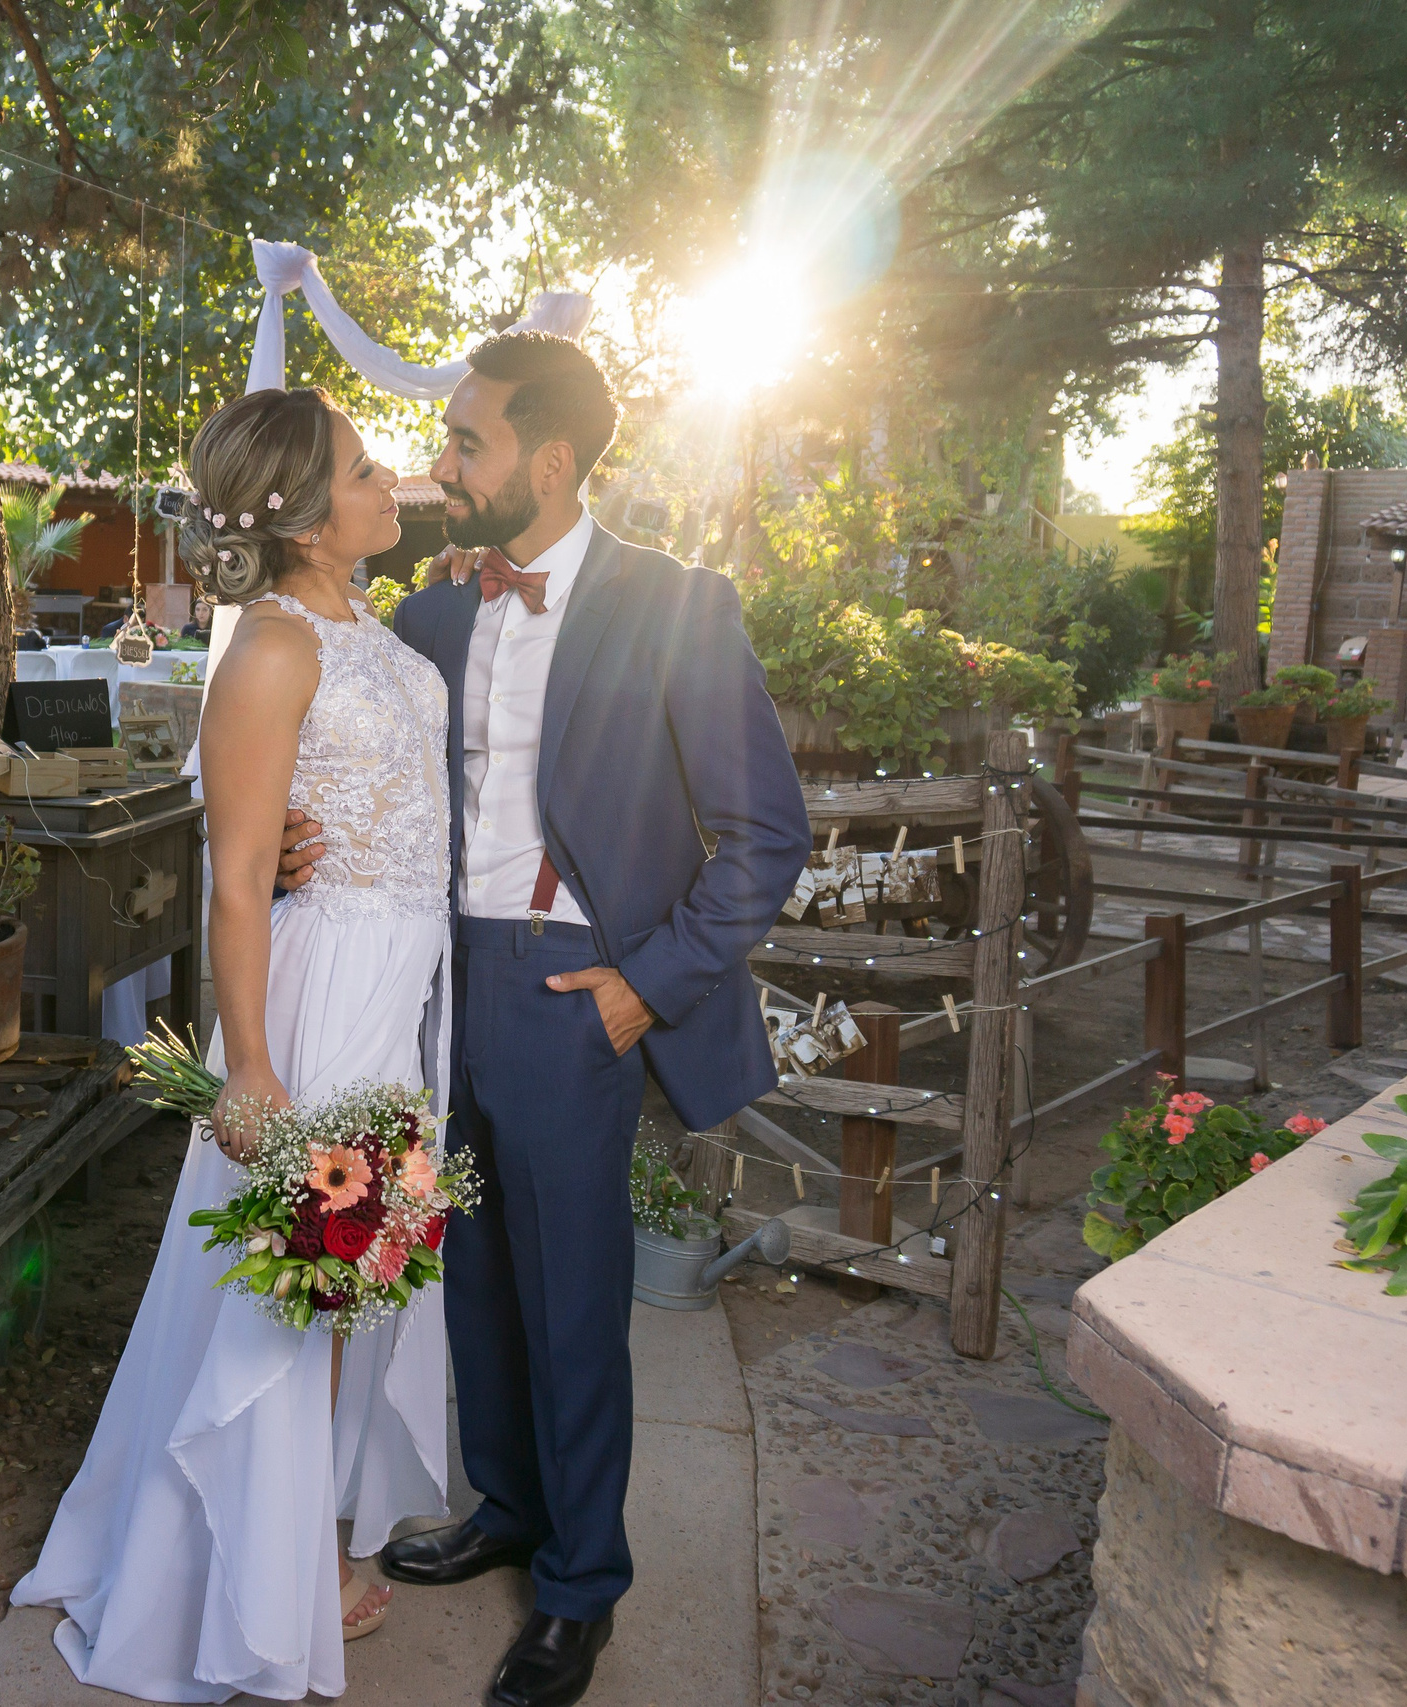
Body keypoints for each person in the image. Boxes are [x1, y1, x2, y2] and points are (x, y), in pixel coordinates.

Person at [284, 333, 808, 1707]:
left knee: (573, 1296)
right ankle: (506, 1506)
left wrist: (651, 980)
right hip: (427, 977)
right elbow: (351, 745)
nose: (445, 464)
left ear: (552, 461)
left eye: (470, 442)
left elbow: (766, 832)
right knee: (466, 1271)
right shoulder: (440, 614)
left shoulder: (678, 606)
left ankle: (581, 1584)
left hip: (578, 995)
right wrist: (290, 835)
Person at [12, 387, 449, 1701]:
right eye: (370, 473)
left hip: (404, 982)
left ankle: (298, 1529)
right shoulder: (269, 647)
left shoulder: (360, 618)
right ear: (313, 519)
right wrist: (247, 1062)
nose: (394, 487)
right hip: (324, 994)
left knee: (354, 1281)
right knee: (307, 1289)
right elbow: (242, 872)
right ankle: (268, 1582)